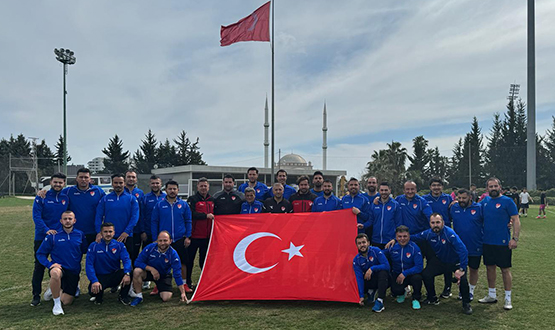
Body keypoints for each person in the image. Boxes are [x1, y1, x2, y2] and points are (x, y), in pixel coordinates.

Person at [403, 213, 472, 315]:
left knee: (463, 279)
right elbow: (414, 237)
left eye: (438, 222)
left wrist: (461, 269)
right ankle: (432, 298)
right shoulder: (428, 233)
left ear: (442, 223)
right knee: (426, 274)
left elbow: (463, 251)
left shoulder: (449, 233)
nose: (435, 225)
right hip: (441, 261)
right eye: (433, 223)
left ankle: (466, 303)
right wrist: (396, 239)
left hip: (455, 262)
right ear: (430, 224)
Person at [479, 178, 520, 310]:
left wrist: (515, 238)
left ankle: (508, 298)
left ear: (500, 187)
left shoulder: (507, 201)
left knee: (505, 269)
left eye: (495, 186)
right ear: (487, 189)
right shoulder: (484, 201)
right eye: (490, 186)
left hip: (503, 242)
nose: (493, 188)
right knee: (490, 268)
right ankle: (492, 295)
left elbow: (516, 220)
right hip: (487, 241)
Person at [36, 211, 88, 315]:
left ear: (74, 220)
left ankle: (54, 289)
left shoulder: (80, 234)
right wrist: (50, 265)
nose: (67, 221)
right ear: (61, 221)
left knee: (67, 301)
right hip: (59, 268)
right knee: (55, 273)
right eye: (65, 219)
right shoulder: (53, 236)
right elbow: (40, 254)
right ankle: (56, 304)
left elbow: (84, 250)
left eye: (70, 218)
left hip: (73, 271)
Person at [31, 172, 69, 307]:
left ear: (64, 184)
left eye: (60, 182)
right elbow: (36, 216)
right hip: (42, 237)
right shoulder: (42, 197)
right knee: (39, 265)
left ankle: (56, 289)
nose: (58, 184)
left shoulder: (66, 196)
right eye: (55, 182)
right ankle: (36, 295)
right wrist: (46, 230)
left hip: (60, 238)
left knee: (61, 264)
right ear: (51, 183)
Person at [151, 180, 193, 293]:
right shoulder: (159, 205)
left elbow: (188, 220)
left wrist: (188, 236)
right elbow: (154, 222)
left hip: (179, 239)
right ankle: (159, 285)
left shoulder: (183, 205)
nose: (172, 191)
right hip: (163, 241)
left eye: (174, 189)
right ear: (166, 190)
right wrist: (156, 238)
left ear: (178, 190)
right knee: (161, 263)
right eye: (170, 189)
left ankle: (184, 284)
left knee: (183, 262)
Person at [130, 231, 187, 306]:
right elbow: (137, 262)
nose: (162, 243)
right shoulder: (150, 248)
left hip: (163, 275)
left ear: (170, 241)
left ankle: (160, 288)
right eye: (160, 240)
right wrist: (151, 269)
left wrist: (183, 293)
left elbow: (177, 274)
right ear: (157, 241)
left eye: (165, 240)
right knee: (137, 271)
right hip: (149, 273)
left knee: (166, 298)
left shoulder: (173, 254)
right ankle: (138, 296)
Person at [94, 173, 140, 263]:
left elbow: (135, 217)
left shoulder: (131, 199)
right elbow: (98, 216)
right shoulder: (105, 199)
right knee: (110, 262)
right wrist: (99, 232)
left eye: (120, 183)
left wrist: (126, 231)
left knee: (129, 262)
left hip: (126, 236)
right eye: (116, 183)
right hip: (109, 236)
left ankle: (129, 277)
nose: (118, 185)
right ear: (112, 183)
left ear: (124, 183)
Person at [86, 222, 132, 305]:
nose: (108, 234)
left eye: (110, 232)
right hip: (100, 276)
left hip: (114, 274)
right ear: (101, 233)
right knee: (92, 291)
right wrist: (94, 280)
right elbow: (89, 265)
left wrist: (127, 273)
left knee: (129, 273)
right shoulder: (93, 246)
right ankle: (98, 297)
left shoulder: (119, 245)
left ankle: (123, 296)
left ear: (114, 233)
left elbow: (126, 260)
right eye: (105, 232)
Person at [422, 177, 453, 299]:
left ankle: (447, 287)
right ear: (430, 187)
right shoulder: (424, 199)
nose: (436, 187)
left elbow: (453, 213)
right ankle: (431, 291)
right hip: (430, 236)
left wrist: (455, 203)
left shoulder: (448, 198)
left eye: (438, 185)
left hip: (445, 235)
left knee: (447, 261)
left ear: (442, 187)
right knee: (431, 261)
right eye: (434, 185)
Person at [57, 168, 106, 246]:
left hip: (93, 231)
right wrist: (44, 192)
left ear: (90, 179)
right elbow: (54, 195)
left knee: (94, 256)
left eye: (86, 177)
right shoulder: (68, 191)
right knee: (74, 256)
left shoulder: (98, 191)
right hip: (74, 231)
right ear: (76, 178)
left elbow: (106, 205)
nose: (83, 179)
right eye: (81, 177)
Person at [450, 188, 483, 301]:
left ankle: (471, 291)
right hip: (458, 246)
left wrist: (508, 223)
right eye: (459, 198)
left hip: (475, 244)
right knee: (461, 269)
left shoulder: (479, 208)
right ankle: (462, 290)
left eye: (464, 198)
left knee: (474, 269)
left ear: (470, 197)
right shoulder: (453, 208)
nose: (461, 200)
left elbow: (489, 221)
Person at [382, 225, 423, 310]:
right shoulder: (392, 247)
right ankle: (402, 292)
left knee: (417, 278)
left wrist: (405, 273)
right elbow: (380, 254)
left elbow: (419, 267)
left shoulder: (414, 248)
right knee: (396, 290)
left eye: (405, 236)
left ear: (409, 236)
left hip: (411, 274)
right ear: (396, 237)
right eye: (399, 236)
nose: (402, 239)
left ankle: (416, 298)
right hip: (397, 274)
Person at [186, 178, 214, 289]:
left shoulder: (212, 199)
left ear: (208, 187)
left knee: (204, 261)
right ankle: (188, 282)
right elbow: (190, 214)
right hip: (194, 236)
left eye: (205, 186)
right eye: (201, 186)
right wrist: (205, 216)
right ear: (197, 187)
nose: (203, 188)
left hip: (207, 237)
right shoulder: (192, 199)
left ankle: (204, 282)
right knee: (190, 260)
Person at [358, 182, 402, 249]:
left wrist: (395, 239)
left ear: (390, 190)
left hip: (390, 241)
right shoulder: (374, 204)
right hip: (376, 240)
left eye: (386, 190)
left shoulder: (395, 205)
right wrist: (363, 226)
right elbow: (371, 220)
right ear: (379, 191)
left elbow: (399, 224)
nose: (384, 192)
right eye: (382, 190)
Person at [353, 233, 390, 313]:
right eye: (359, 243)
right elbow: (359, 278)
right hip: (370, 280)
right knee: (361, 278)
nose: (362, 245)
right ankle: (371, 291)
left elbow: (387, 266)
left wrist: (372, 268)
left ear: (368, 243)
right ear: (356, 245)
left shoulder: (376, 250)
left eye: (364, 242)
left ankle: (380, 300)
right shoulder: (356, 260)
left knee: (383, 272)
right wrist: (361, 296)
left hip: (383, 279)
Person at [124, 170, 145, 263]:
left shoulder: (140, 193)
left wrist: (142, 230)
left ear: (136, 179)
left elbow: (142, 213)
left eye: (133, 177)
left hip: (136, 231)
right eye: (129, 177)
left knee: (134, 255)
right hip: (122, 230)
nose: (131, 179)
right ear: (125, 179)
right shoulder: (121, 192)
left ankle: (133, 276)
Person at [141, 175, 166, 247]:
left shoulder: (166, 197)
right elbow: (142, 215)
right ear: (150, 184)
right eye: (153, 183)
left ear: (161, 184)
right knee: (148, 254)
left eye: (157, 183)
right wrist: (143, 231)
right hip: (148, 232)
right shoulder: (145, 198)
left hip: (163, 231)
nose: (155, 185)